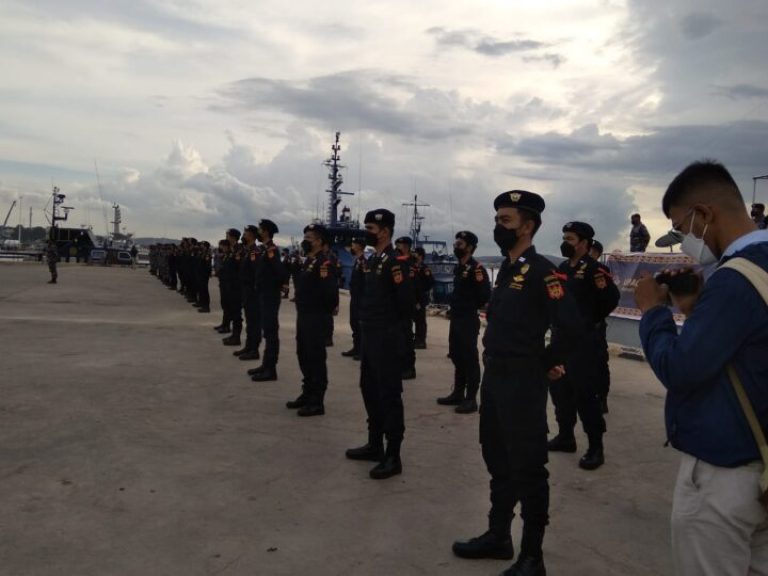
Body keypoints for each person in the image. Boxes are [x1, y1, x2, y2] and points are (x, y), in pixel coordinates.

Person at [634, 160, 768, 576]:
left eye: (682, 228)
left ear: (705, 213)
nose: (683, 242)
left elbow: (680, 369)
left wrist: (654, 312)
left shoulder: (733, 280)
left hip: (727, 473)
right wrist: (695, 310)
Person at [451, 190, 581, 576]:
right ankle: (498, 536)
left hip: (522, 383)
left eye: (506, 220)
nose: (498, 226)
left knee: (528, 468)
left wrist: (547, 362)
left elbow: (571, 326)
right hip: (495, 378)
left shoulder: (543, 271)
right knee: (497, 458)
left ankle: (532, 556)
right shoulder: (508, 271)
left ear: (527, 227)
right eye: (497, 220)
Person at [346, 209, 414, 480]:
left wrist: (392, 332)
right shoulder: (374, 260)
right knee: (369, 389)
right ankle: (375, 444)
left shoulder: (396, 262)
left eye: (370, 229)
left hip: (386, 338)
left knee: (389, 395)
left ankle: (393, 455)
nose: (366, 233)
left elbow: (405, 304)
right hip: (370, 335)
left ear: (385, 232)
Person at [548, 222, 620, 470]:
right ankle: (565, 436)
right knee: (560, 390)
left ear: (584, 243)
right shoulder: (561, 268)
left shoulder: (595, 269)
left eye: (569, 239)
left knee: (585, 394)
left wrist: (589, 321)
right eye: (564, 238)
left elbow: (610, 299)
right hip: (560, 340)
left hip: (583, 342)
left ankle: (595, 447)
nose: (565, 243)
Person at [286, 224, 339, 416]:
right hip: (304, 315)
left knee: (315, 358)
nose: (305, 241)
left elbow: (330, 294)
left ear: (319, 241)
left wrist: (321, 314)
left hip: (316, 317)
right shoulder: (309, 261)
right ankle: (307, 393)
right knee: (304, 355)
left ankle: (317, 401)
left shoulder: (324, 263)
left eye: (309, 238)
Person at [437, 231, 491, 414]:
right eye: (455, 244)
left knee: (469, 358)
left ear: (470, 247)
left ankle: (471, 399)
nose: (455, 247)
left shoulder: (477, 269)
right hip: (456, 318)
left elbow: (484, 295)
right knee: (456, 355)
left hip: (468, 319)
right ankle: (458, 393)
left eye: (459, 244)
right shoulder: (460, 268)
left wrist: (468, 305)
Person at [249, 219, 284, 382]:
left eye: (260, 229)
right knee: (267, 330)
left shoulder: (271, 250)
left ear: (266, 232)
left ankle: (271, 369)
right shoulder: (264, 249)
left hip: (270, 296)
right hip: (264, 294)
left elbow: (279, 272)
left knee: (270, 332)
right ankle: (265, 364)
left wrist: (272, 289)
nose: (258, 232)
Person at [589, 239, 612, 414]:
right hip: (577, 325)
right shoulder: (574, 268)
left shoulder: (600, 271)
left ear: (597, 253)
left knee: (599, 361)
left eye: (591, 251)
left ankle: (602, 397)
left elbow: (607, 298)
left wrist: (597, 316)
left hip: (595, 324)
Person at [232, 225, 262, 361]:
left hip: (252, 292)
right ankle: (248, 347)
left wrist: (254, 291)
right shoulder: (247, 251)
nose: (243, 236)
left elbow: (256, 273)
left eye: (245, 234)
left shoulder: (255, 252)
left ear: (252, 236)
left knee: (254, 322)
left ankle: (254, 350)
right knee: (249, 321)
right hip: (246, 290)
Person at [395, 236, 417, 380]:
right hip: (397, 305)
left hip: (407, 305)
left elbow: (416, 285)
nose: (397, 247)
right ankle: (400, 366)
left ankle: (409, 368)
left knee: (406, 338)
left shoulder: (411, 263)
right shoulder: (397, 262)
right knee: (398, 338)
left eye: (400, 245)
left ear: (407, 247)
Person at [342, 238, 367, 360]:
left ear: (359, 246)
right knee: (354, 322)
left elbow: (366, 281)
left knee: (359, 324)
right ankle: (356, 347)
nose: (351, 247)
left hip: (361, 298)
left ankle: (362, 351)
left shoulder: (363, 262)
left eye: (353, 245)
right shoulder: (357, 260)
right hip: (355, 297)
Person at [412, 247, 434, 349]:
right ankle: (413, 338)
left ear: (420, 256)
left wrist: (421, 290)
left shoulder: (425, 268)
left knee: (420, 320)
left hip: (420, 298)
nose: (413, 255)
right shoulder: (411, 266)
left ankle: (421, 341)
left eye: (415, 253)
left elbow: (430, 282)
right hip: (411, 297)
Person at [213, 239, 232, 333]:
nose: (220, 248)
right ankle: (224, 324)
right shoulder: (225, 255)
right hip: (223, 282)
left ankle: (227, 326)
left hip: (228, 283)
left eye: (222, 246)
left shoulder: (229, 255)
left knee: (228, 305)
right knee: (224, 304)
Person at [196, 241, 212, 313]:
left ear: (205, 246)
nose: (201, 246)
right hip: (200, 273)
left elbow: (207, 265)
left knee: (204, 290)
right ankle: (202, 303)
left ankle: (206, 306)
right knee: (201, 289)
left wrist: (207, 274)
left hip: (204, 274)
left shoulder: (207, 253)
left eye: (202, 245)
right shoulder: (203, 252)